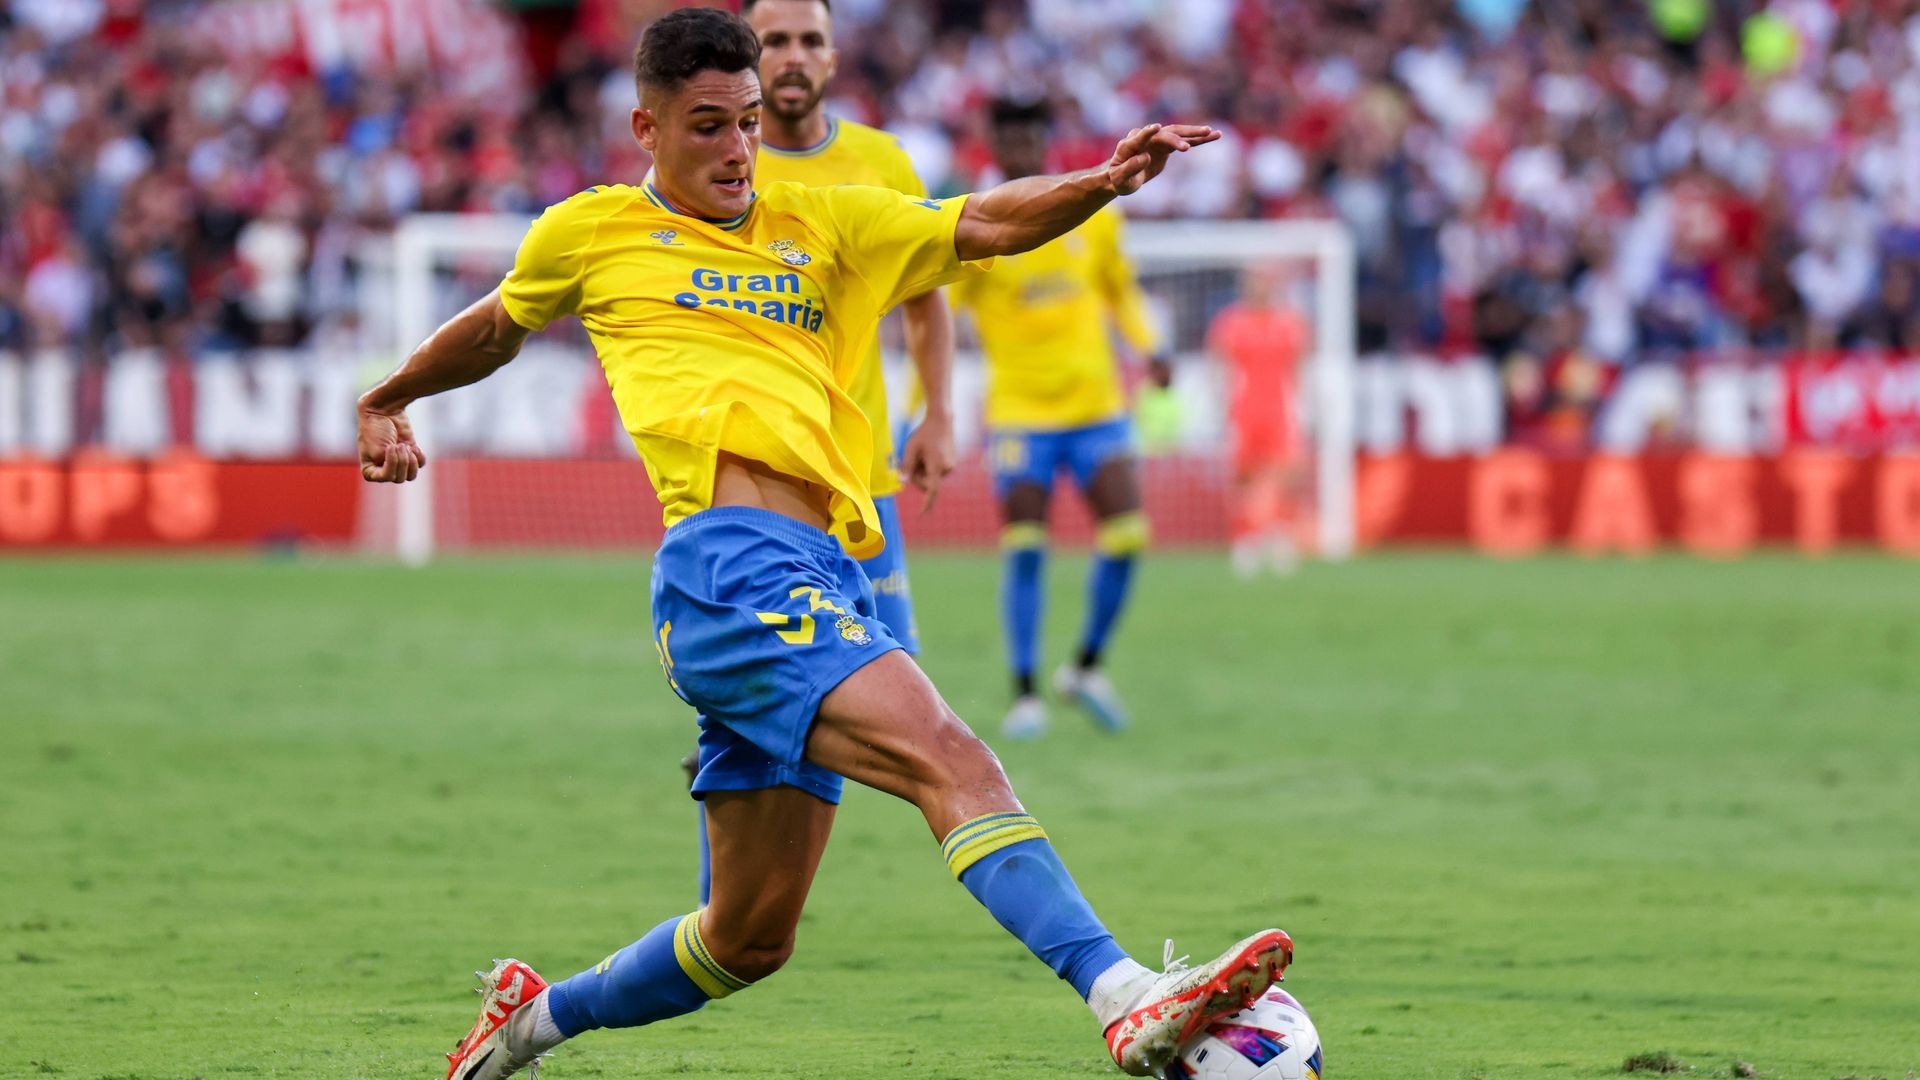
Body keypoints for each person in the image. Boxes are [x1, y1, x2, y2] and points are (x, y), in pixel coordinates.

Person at [355, 11, 1289, 1080]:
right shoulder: (589, 232)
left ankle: (526, 1023)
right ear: (646, 128)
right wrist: (387, 396)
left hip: (826, 571)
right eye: (708, 125)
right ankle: (1125, 997)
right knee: (951, 758)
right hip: (728, 570)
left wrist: (1101, 182)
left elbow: (983, 221)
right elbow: (494, 327)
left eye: (749, 123)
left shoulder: (826, 218)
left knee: (746, 938)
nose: (738, 149)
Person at [672, 0, 962, 906]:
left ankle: (732, 913)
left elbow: (927, 293)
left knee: (890, 698)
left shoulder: (880, 163)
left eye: (810, 41)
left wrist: (939, 412)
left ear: (834, 58)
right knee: (845, 713)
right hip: (752, 496)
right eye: (775, 41)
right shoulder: (715, 169)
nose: (792, 57)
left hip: (860, 483)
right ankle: (727, 917)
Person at [949, 98, 1169, 741]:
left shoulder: (1091, 212)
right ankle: (1025, 693)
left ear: (1044, 143)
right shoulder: (979, 224)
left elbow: (1119, 290)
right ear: (994, 147)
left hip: (1097, 405)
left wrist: (1149, 346)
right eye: (1010, 140)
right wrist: (925, 405)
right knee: (1025, 547)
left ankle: (1086, 667)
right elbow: (939, 310)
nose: (1021, 150)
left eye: (1030, 139)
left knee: (1128, 534)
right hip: (1020, 414)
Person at [1206, 263, 1311, 576]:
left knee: (1286, 475)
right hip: (1244, 410)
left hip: (1279, 411)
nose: (1258, 288)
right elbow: (1218, 364)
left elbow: (1300, 366)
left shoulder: (1289, 323)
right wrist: (1220, 405)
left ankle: (1281, 536)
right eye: (1253, 282)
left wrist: (1303, 406)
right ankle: (1245, 539)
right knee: (1243, 477)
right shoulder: (1230, 323)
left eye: (1263, 281)